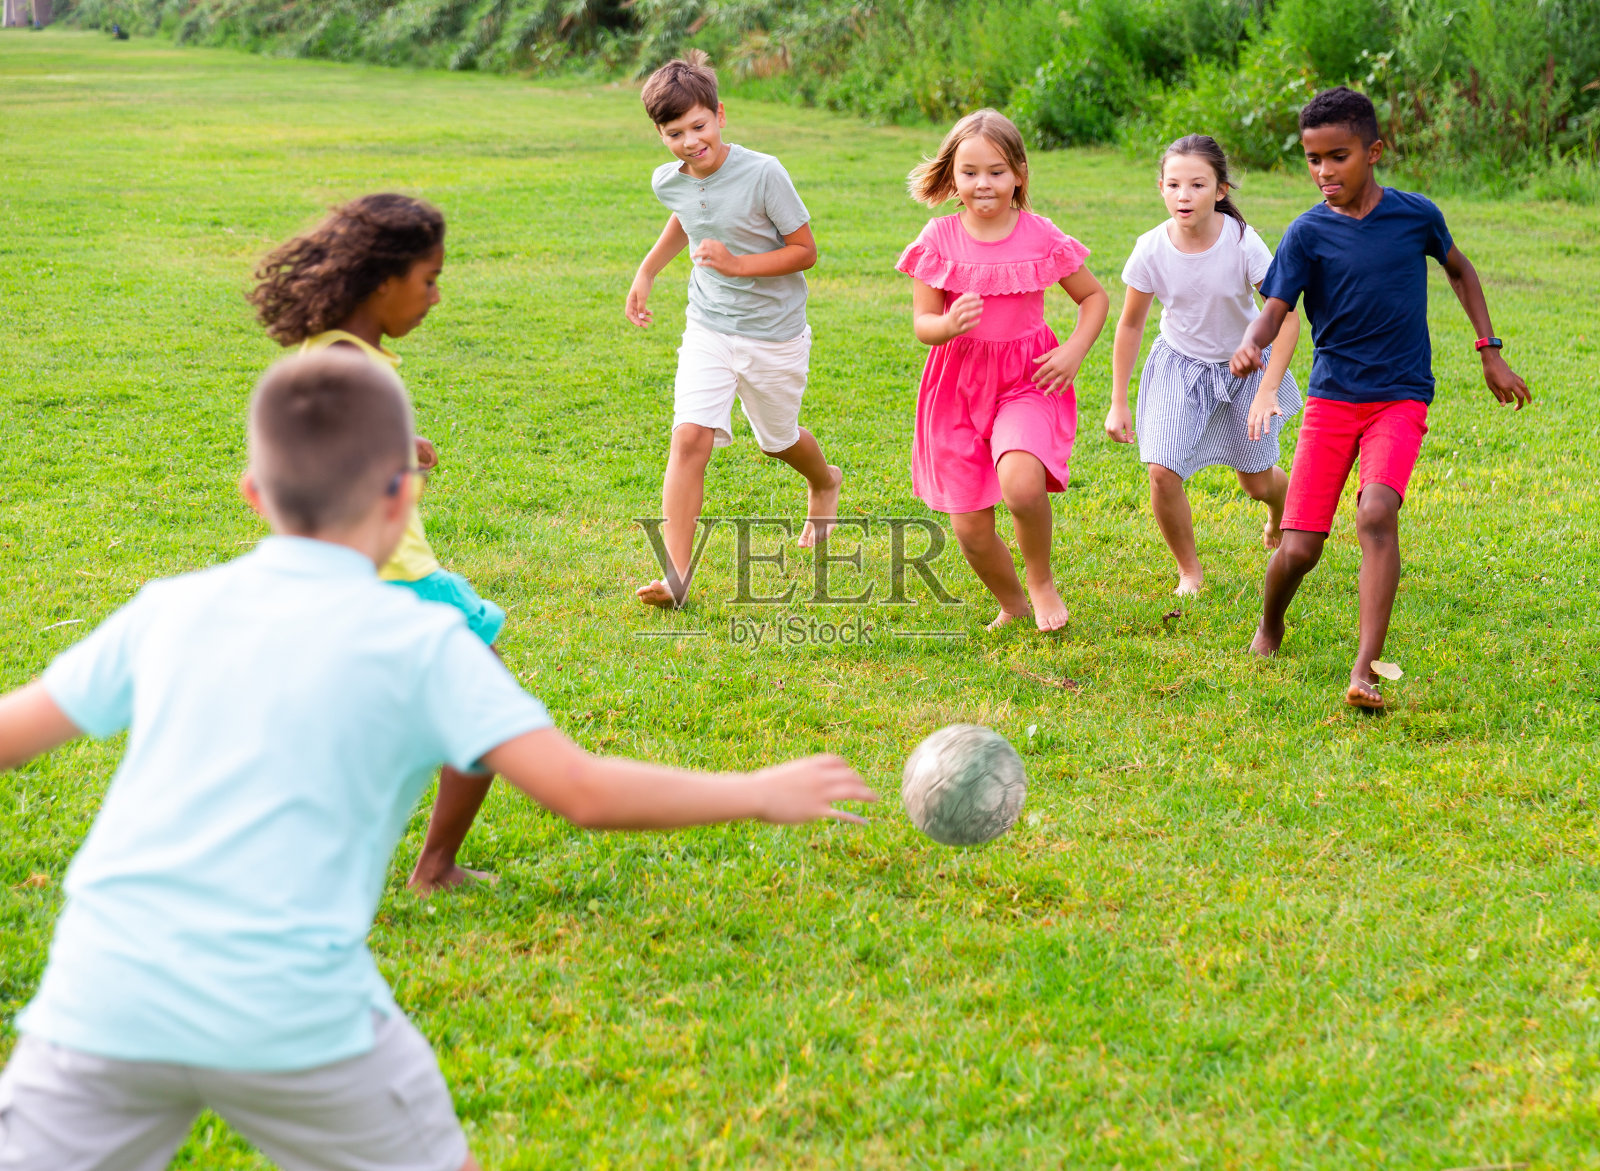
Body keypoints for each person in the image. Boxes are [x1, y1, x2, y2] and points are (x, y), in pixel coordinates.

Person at [0, 351, 874, 1171]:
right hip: (295, 1013)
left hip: (102, 997)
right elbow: (584, 790)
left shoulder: (170, 610)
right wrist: (758, 789)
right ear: (401, 497)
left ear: (252, 494)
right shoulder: (425, 641)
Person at [1232, 87, 1530, 709]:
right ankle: (1270, 624)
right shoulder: (1307, 232)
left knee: (1375, 514)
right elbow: (1277, 308)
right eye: (1313, 160)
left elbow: (1460, 269)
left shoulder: (1415, 215)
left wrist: (1489, 349)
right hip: (1333, 402)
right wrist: (1251, 344)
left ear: (1374, 151)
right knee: (1299, 549)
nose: (1323, 172)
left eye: (1337, 157)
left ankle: (1364, 670)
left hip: (1400, 397)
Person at [249, 193, 501, 893]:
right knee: (483, 708)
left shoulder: (337, 352)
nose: (437, 297)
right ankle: (433, 866)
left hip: (372, 575)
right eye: (428, 280)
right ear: (382, 282)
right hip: (393, 577)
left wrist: (397, 447)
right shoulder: (352, 367)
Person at [624, 50, 842, 608]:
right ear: (660, 135)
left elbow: (805, 251)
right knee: (689, 437)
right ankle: (676, 575)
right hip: (710, 326)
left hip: (774, 332)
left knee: (779, 441)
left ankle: (824, 481)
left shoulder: (764, 172)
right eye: (676, 133)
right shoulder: (666, 180)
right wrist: (648, 270)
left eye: (699, 126)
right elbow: (687, 215)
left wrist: (739, 263)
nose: (691, 141)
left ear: (720, 114)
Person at [895, 109, 1109, 631]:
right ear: (952, 176)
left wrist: (1074, 351)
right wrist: (947, 324)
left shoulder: (1039, 234)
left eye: (995, 171)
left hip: (1026, 380)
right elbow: (923, 323)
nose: (982, 184)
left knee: (1020, 484)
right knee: (969, 528)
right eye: (969, 173)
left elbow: (1094, 298)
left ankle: (1040, 581)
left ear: (1018, 174)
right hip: (956, 387)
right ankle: (1012, 602)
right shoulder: (939, 237)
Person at [1107, 134, 1302, 596]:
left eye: (1196, 185)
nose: (1183, 195)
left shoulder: (1241, 242)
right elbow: (1131, 325)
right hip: (1180, 366)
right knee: (1161, 470)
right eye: (1173, 185)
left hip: (1245, 369)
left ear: (1220, 191)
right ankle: (1189, 572)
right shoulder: (1151, 248)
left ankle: (1279, 513)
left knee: (1255, 483)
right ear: (1160, 188)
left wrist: (1268, 389)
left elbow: (1288, 318)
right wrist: (1118, 400)